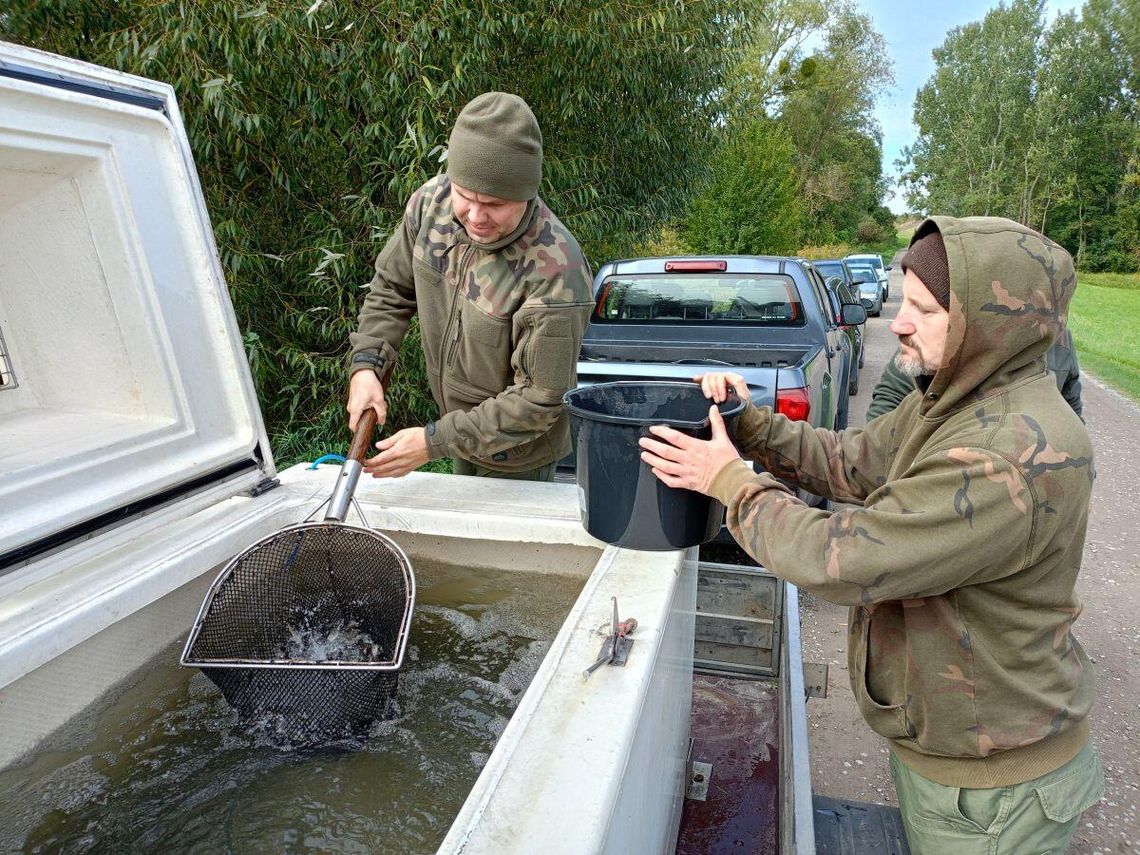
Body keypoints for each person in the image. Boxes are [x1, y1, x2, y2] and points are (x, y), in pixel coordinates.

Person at [639, 217, 1104, 852]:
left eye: (925, 309)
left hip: (993, 792)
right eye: (902, 301)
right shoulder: (957, 402)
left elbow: (841, 560)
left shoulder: (1005, 455)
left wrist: (729, 483)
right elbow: (849, 461)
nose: (898, 323)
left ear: (991, 326)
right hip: (955, 753)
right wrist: (749, 426)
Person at [346, 92, 594, 481]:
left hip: (519, 456)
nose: (475, 216)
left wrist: (435, 441)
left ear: (526, 192)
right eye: (464, 196)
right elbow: (391, 290)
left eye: (495, 204)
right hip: (459, 429)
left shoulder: (557, 271)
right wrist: (366, 367)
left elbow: (540, 399)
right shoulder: (430, 205)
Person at [867, 328, 1083, 421]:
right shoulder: (950, 327)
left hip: (1027, 485)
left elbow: (1070, 412)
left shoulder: (1060, 338)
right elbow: (888, 403)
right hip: (944, 480)